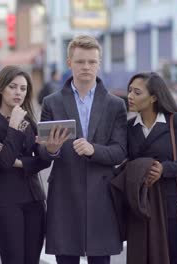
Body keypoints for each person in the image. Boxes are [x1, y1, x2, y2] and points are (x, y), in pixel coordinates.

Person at [38, 35, 127, 264]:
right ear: (69, 63)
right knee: (66, 259)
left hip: (103, 195)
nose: (86, 67)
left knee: (100, 260)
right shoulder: (52, 102)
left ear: (99, 63)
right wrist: (52, 149)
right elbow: (43, 155)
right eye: (80, 62)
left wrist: (92, 149)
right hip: (65, 193)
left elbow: (120, 152)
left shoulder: (115, 105)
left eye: (91, 61)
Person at [0, 65, 51, 264]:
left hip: (34, 199)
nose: (18, 92)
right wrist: (14, 127)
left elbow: (43, 161)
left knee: (31, 260)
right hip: (5, 201)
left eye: (23, 88)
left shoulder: (29, 121)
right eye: (13, 87)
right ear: (1, 88)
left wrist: (24, 160)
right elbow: (2, 162)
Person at [126, 72, 177, 264]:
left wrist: (164, 169)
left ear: (153, 97)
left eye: (137, 92)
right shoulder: (129, 127)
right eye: (129, 91)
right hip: (141, 205)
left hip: (172, 205)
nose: (130, 96)